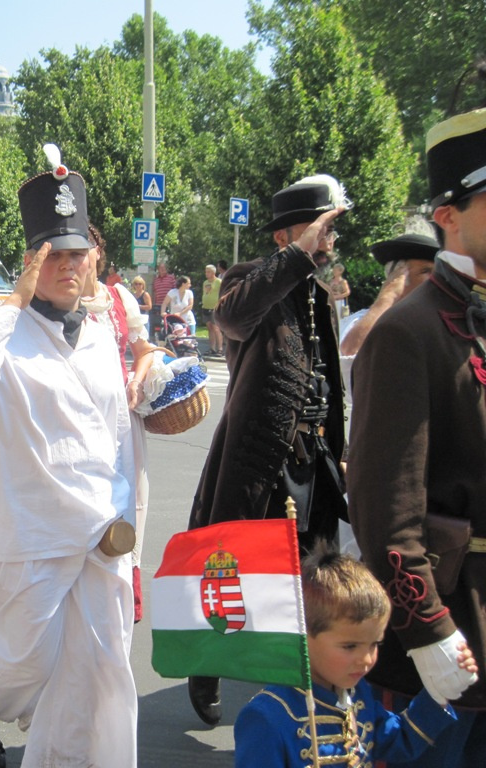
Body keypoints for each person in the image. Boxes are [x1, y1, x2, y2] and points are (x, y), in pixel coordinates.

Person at [0, 156, 137, 767]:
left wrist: (129, 518)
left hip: (101, 529)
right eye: (52, 254)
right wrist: (15, 301)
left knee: (100, 666)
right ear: (29, 261)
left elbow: (116, 433)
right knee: (21, 656)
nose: (68, 266)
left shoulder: (102, 333)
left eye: (77, 253)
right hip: (31, 529)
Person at [348, 107, 486, 766]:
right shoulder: (411, 330)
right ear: (449, 215)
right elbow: (386, 509)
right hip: (453, 634)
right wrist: (429, 631)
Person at [186, 174, 350, 726]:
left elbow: (329, 376)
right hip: (263, 456)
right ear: (288, 235)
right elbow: (230, 318)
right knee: (230, 567)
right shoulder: (252, 278)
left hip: (316, 453)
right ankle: (207, 664)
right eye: (321, 226)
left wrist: (341, 447)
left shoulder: (320, 289)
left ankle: (305, 681)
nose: (331, 237)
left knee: (314, 574)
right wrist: (300, 258)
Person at [234, 547, 474, 767]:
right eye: (350, 646)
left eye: (374, 644)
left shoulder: (358, 695)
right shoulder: (268, 716)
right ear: (302, 636)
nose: (366, 659)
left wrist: (438, 693)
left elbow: (397, 740)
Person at [83, 224, 163, 622]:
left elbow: (143, 349)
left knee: (132, 501)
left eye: (88, 248)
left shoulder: (118, 296)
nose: (82, 258)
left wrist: (135, 378)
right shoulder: (58, 301)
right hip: (80, 419)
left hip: (121, 417)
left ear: (99, 252)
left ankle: (124, 594)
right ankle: (88, 591)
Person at [337, 231, 438, 404]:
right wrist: (388, 296)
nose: (435, 280)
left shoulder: (445, 321)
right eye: (425, 271)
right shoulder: (363, 320)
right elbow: (349, 360)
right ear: (397, 277)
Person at [201, 264, 223, 357]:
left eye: (208, 271)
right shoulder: (205, 282)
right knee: (210, 328)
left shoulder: (219, 282)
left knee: (216, 328)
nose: (206, 273)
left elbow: (223, 293)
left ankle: (220, 349)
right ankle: (212, 348)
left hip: (215, 307)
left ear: (213, 272)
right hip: (206, 307)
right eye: (206, 271)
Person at [150, 261, 176, 338]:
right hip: (158, 305)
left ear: (166, 269)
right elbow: (154, 292)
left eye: (163, 268)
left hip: (169, 305)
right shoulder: (156, 280)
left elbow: (175, 290)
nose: (162, 269)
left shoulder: (171, 278)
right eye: (160, 268)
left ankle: (170, 337)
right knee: (159, 324)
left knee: (169, 323)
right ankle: (160, 338)